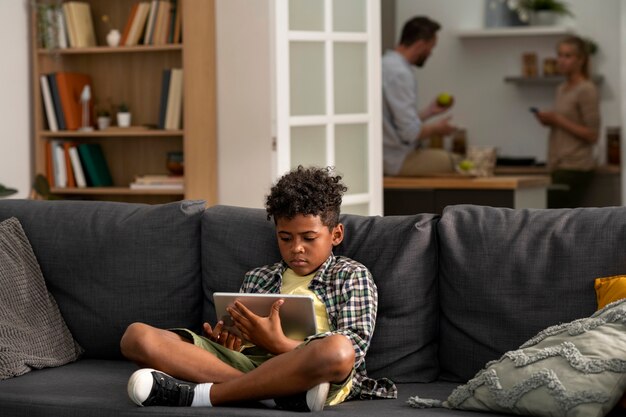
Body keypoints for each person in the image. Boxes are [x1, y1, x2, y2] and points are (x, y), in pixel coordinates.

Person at [120, 166, 397, 412]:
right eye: (285, 238)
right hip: (250, 366)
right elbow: (240, 349)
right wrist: (230, 342)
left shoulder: (350, 275)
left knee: (338, 350)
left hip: (311, 373)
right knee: (136, 336)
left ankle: (205, 394)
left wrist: (279, 345)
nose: (296, 248)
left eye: (309, 238)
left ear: (335, 234)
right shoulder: (258, 278)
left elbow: (355, 349)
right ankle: (274, 394)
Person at [382, 16, 457, 177]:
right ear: (420, 45)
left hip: (385, 157)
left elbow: (396, 123)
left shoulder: (385, 64)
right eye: (431, 47)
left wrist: (429, 112)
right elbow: (410, 134)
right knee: (457, 162)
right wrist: (437, 129)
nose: (431, 53)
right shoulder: (400, 73)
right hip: (395, 160)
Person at [532, 35, 600, 208]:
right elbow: (564, 122)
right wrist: (549, 121)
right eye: (559, 55)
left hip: (575, 167)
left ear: (581, 60)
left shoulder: (586, 89)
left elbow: (592, 135)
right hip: (557, 164)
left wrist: (558, 119)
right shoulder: (561, 89)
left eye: (567, 56)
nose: (561, 61)